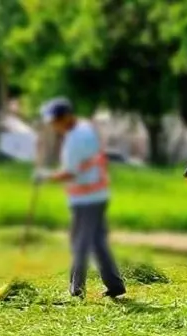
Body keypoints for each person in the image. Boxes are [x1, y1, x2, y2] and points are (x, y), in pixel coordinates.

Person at [33, 97, 126, 299]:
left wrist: (45, 177)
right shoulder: (82, 129)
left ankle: (76, 290)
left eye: (56, 121)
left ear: (66, 117)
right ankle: (115, 285)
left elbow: (70, 173)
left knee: (80, 243)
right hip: (95, 195)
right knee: (97, 242)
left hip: (87, 199)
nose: (54, 126)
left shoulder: (76, 138)